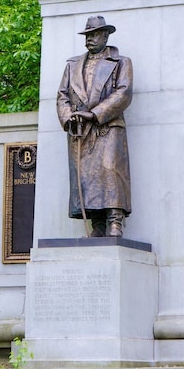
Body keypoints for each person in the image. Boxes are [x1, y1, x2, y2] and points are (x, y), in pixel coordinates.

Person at [56, 16, 133, 237]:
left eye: (94, 34)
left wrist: (94, 114)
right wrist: (68, 116)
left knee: (110, 170)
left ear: (106, 36)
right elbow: (62, 95)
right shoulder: (72, 65)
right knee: (85, 177)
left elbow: (124, 93)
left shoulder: (121, 62)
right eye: (87, 35)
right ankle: (97, 225)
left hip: (106, 127)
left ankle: (114, 221)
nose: (89, 39)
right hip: (80, 130)